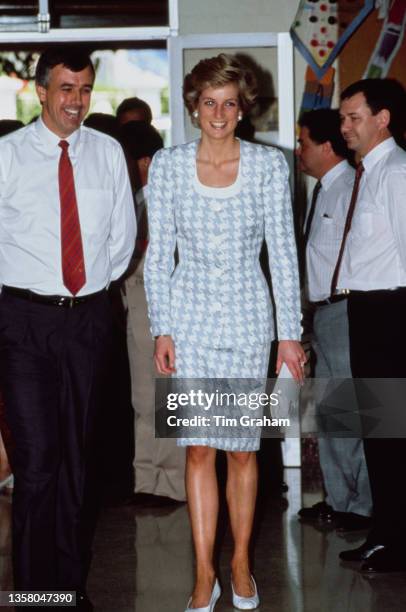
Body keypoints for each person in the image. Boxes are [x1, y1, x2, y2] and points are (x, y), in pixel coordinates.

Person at [144, 53, 304, 611]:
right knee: (197, 450)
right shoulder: (166, 166)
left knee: (241, 451)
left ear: (243, 108)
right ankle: (202, 571)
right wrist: (161, 328)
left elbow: (283, 254)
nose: (218, 112)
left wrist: (290, 334)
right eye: (208, 102)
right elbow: (158, 256)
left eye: (228, 102)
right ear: (193, 106)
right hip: (187, 318)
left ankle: (240, 563)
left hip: (246, 317)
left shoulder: (268, 166)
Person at [0, 47, 136, 606]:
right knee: (36, 463)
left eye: (83, 89)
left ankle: (69, 588)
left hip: (87, 322)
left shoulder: (107, 153)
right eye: (65, 88)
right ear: (40, 90)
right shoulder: (7, 155)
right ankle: (36, 595)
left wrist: (91, 296)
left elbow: (121, 239)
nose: (75, 101)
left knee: (79, 461)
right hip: (23, 322)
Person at [336, 79, 406, 572]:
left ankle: (399, 542)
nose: (344, 128)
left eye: (353, 117)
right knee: (378, 433)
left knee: (394, 437)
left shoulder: (397, 174)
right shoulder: (369, 173)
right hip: (367, 312)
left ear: (383, 119)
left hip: (392, 315)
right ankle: (385, 533)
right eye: (343, 118)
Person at [296, 109, 372, 531]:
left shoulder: (351, 189)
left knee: (348, 413)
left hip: (345, 310)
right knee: (330, 413)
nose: (299, 151)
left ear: (326, 147)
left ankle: (359, 506)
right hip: (323, 313)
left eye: (304, 142)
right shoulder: (323, 189)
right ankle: (340, 499)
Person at [119, 120, 186, 503]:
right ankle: (145, 479)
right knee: (143, 398)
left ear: (143, 160)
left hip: (162, 311)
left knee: (167, 396)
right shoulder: (134, 200)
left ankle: (171, 483)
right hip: (135, 308)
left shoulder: (168, 199)